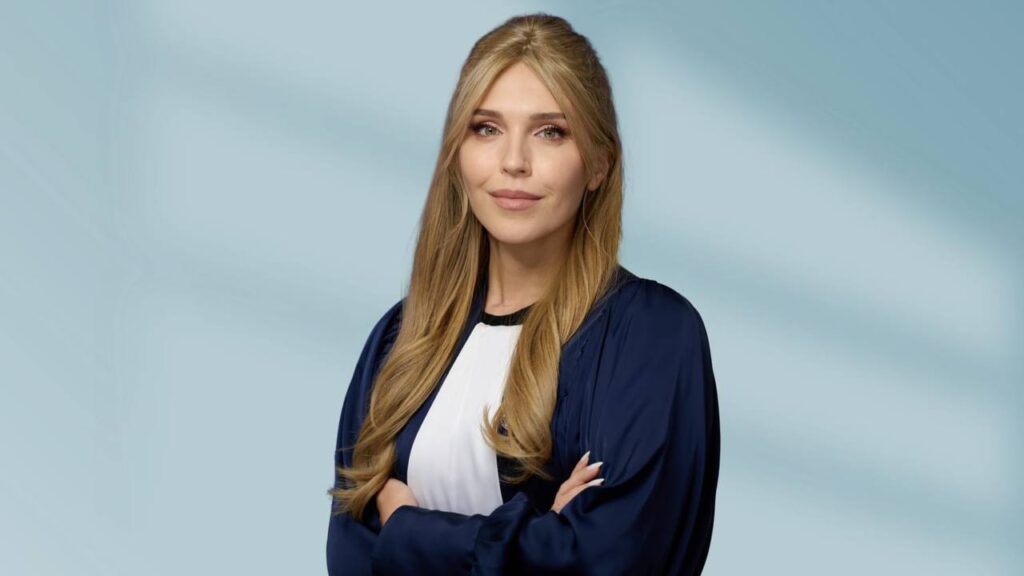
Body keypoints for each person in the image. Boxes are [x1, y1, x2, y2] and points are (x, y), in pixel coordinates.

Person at [326, 12, 720, 575]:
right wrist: (538, 535)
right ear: (457, 155)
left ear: (599, 163)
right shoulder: (401, 337)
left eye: (550, 131)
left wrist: (406, 527)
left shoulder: (652, 335)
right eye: (486, 128)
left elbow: (613, 561)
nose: (514, 161)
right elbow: (349, 558)